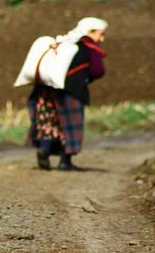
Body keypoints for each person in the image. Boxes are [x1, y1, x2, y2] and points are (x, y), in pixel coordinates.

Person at [26, 17, 108, 171]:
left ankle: (44, 149)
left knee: (48, 122)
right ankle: (65, 162)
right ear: (89, 32)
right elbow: (98, 70)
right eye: (100, 34)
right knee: (69, 125)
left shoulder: (63, 44)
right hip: (70, 92)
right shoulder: (88, 48)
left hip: (45, 91)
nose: (101, 39)